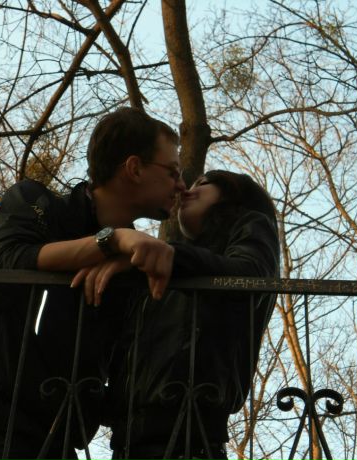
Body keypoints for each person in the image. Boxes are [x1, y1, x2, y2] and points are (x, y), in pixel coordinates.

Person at [0, 107, 185, 459]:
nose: (181, 185)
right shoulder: (34, 201)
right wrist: (111, 240)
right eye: (172, 171)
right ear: (135, 168)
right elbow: (9, 258)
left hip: (57, 429)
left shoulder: (132, 261)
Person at [73, 170, 280, 460]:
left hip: (192, 438)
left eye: (203, 184)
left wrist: (169, 255)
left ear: (233, 194)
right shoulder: (172, 269)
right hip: (127, 443)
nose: (187, 191)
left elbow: (250, 276)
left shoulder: (251, 224)